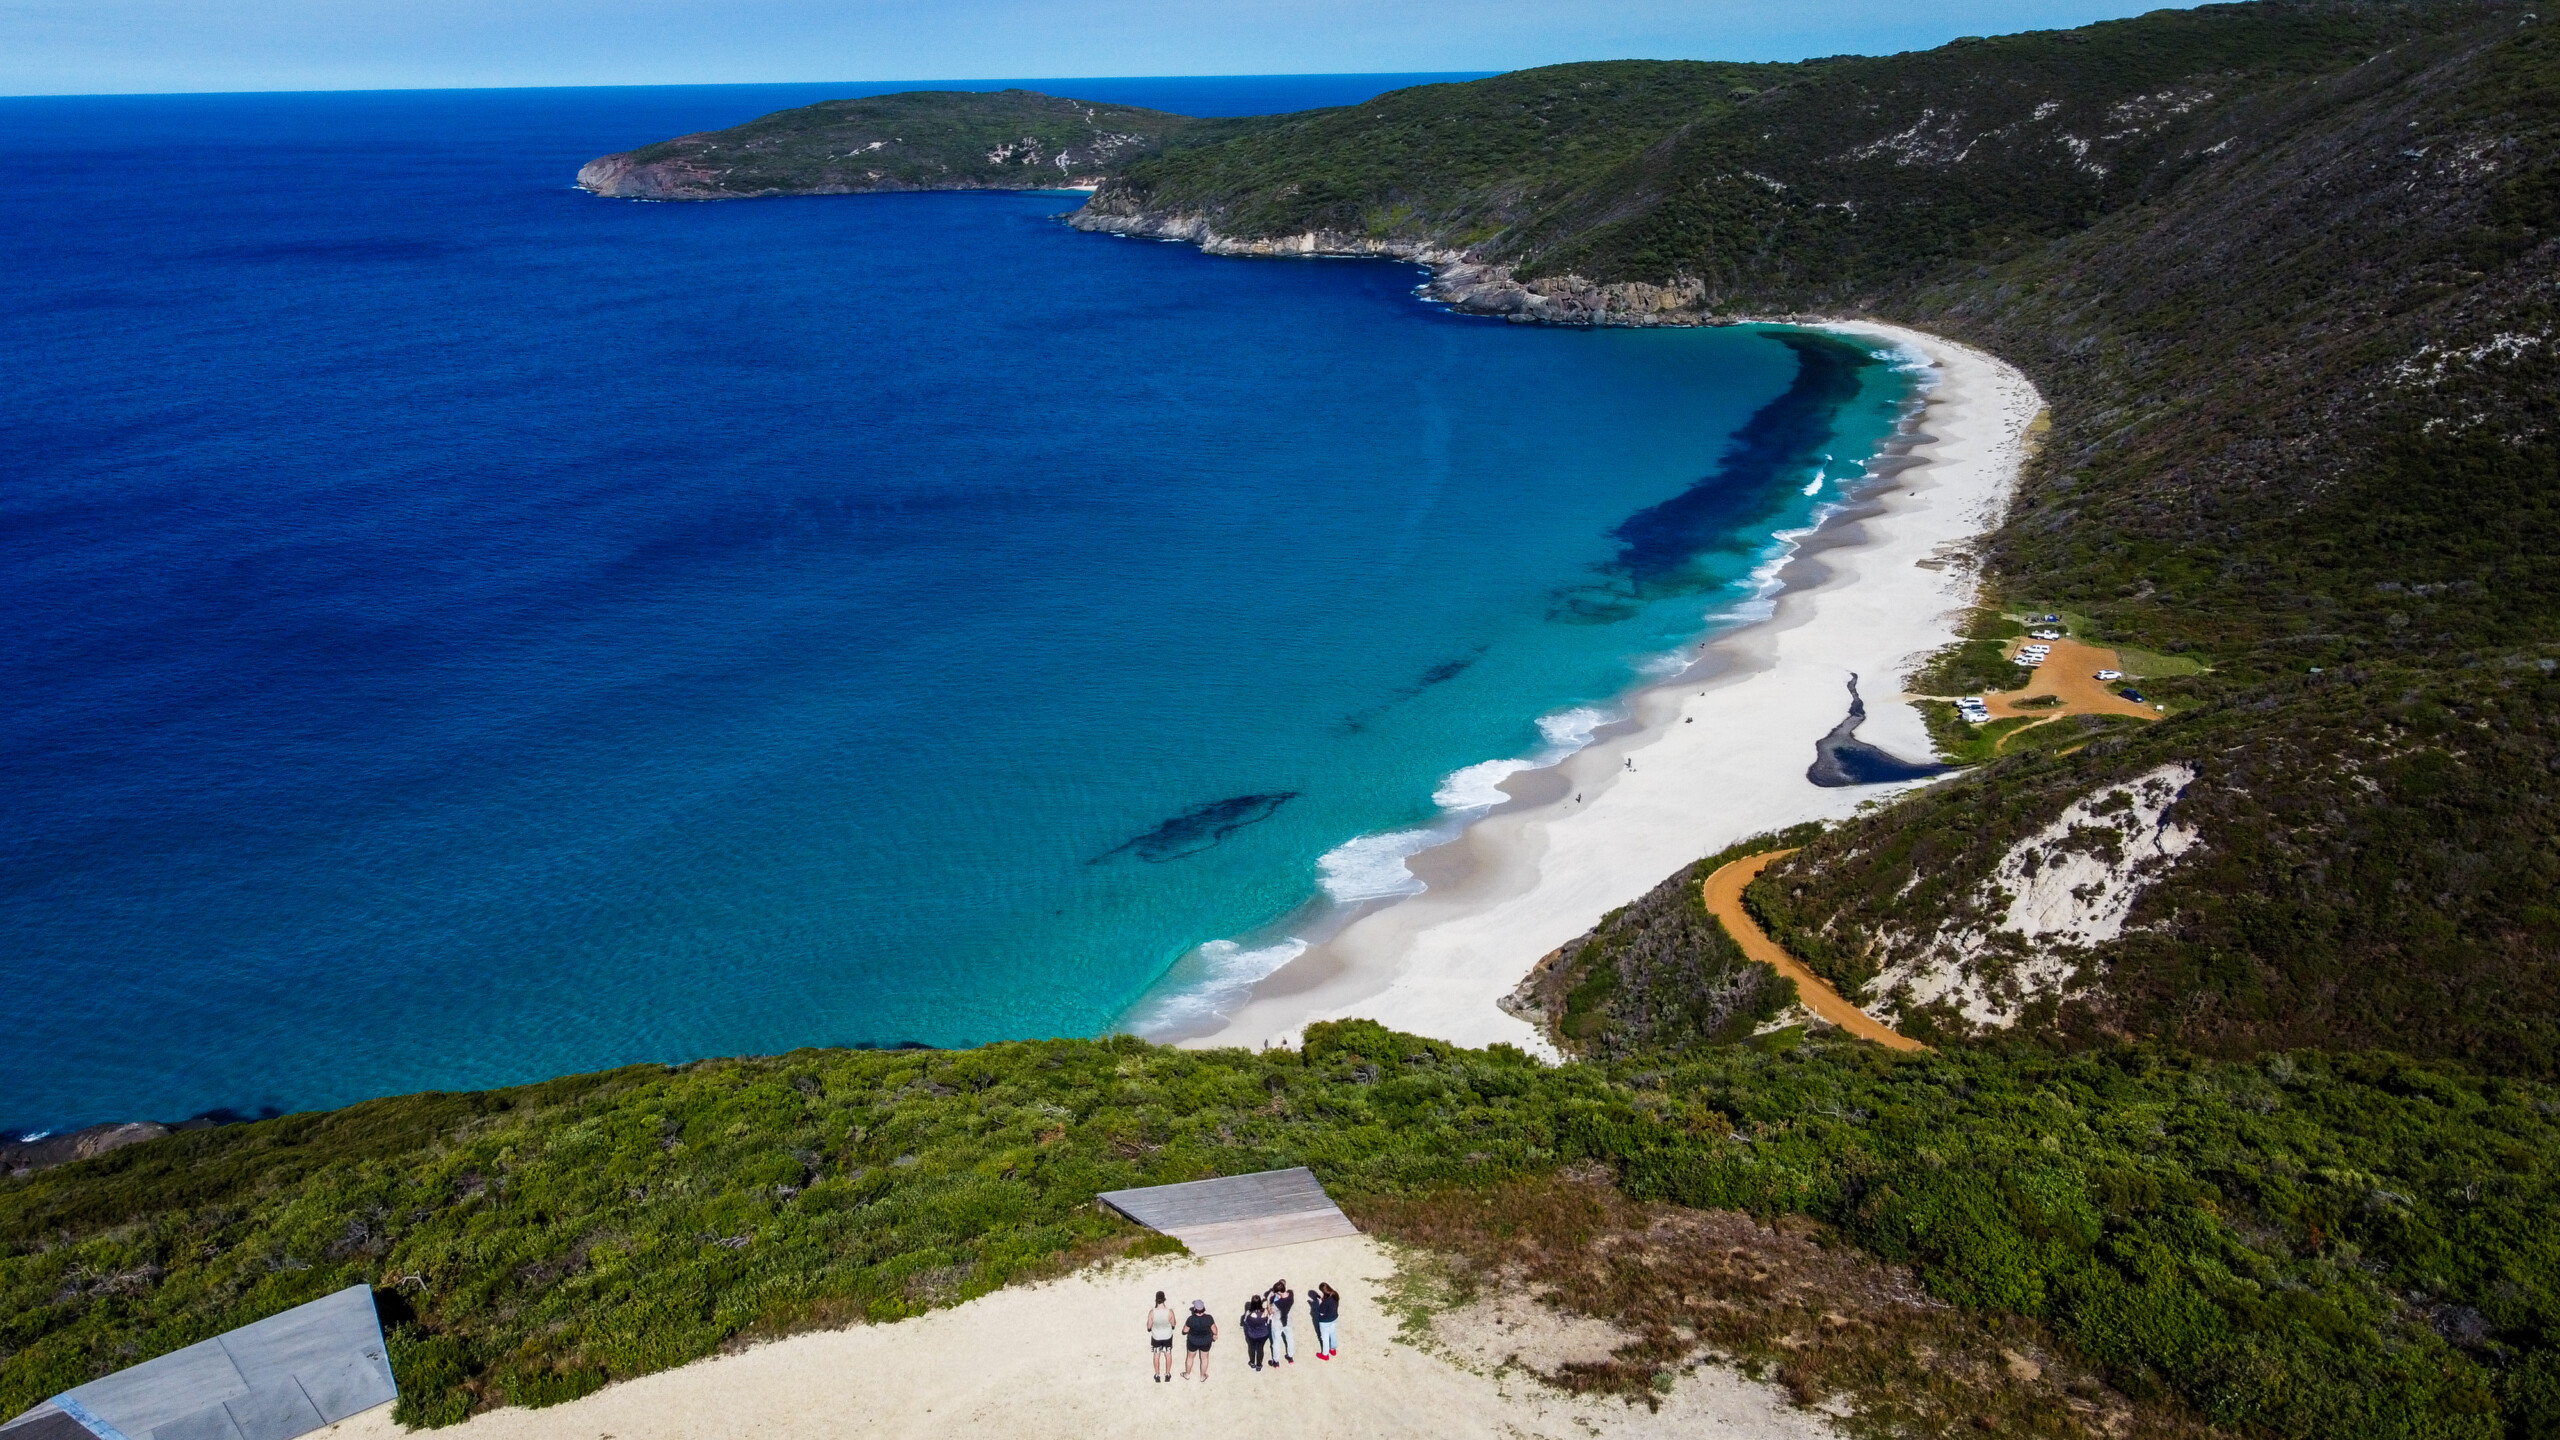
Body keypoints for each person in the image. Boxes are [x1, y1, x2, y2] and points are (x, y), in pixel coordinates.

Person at [1147, 1290, 1178, 1382]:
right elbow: (1173, 1324)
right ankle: (1167, 1374)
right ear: (1164, 1299)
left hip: (1156, 1337)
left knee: (1157, 1355)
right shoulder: (1170, 1312)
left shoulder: (1152, 1312)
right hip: (1167, 1336)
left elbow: (1149, 1326)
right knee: (1168, 1354)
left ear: (1156, 1300)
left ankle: (1157, 1375)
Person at [1182, 1299, 1217, 1380]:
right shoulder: (1209, 1318)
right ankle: (1202, 1376)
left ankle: (1187, 1374)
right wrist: (1215, 1335)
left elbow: (1185, 1330)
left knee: (1190, 1357)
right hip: (1206, 1341)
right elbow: (1214, 1329)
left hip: (1193, 1341)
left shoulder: (1191, 1319)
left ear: (1195, 1309)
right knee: (1204, 1358)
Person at [1265, 1279, 1296, 1364]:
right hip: (1288, 1321)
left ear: (1278, 1292)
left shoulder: (1277, 1303)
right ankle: (1290, 1356)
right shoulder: (1291, 1294)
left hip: (1278, 1323)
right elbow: (1287, 1291)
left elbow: (1270, 1311)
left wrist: (1268, 1299)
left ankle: (1276, 1361)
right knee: (1290, 1338)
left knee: (1276, 1342)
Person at [1240, 1295, 1272, 1371]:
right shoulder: (1265, 1311)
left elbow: (1245, 1322)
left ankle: (1252, 1362)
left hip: (1252, 1335)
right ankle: (1259, 1364)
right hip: (1263, 1334)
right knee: (1260, 1348)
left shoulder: (1249, 1313)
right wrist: (1268, 1300)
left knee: (1252, 1348)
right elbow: (1269, 1314)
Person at [1311, 1282, 1341, 1359]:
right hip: (1334, 1318)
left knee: (1325, 1338)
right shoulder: (1335, 1294)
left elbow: (1321, 1313)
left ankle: (1325, 1354)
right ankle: (1333, 1349)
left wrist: (1320, 1303)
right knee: (1333, 1333)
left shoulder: (1326, 1302)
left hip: (1325, 1321)